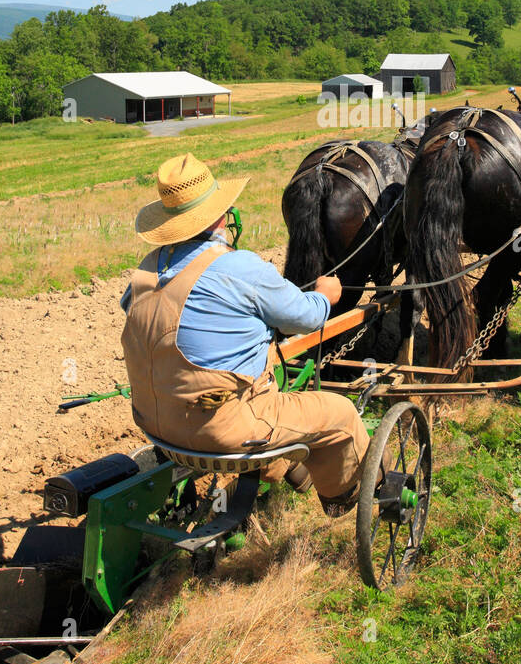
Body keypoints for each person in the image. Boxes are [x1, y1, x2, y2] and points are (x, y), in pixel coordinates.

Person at [120, 152, 371, 514]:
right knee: (341, 414)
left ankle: (290, 470)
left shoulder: (146, 269)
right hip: (220, 432)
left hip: (155, 426)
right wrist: (325, 295)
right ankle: (343, 501)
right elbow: (307, 317)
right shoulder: (239, 268)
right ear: (222, 216)